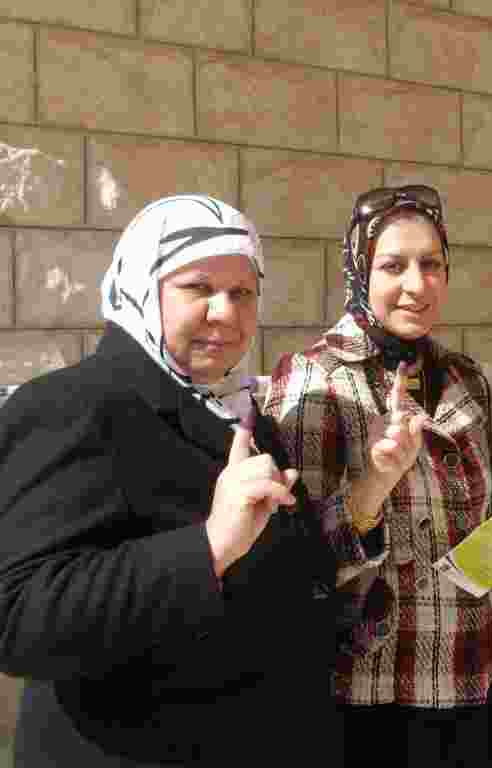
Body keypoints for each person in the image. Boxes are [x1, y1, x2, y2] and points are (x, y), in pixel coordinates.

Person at [0, 195, 336, 766]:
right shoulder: (73, 406)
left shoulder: (240, 413)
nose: (225, 312)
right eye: (198, 287)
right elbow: (19, 615)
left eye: (243, 292)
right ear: (140, 286)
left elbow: (289, 573)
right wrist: (207, 547)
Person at [265, 185, 492, 768]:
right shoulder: (315, 378)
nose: (416, 285)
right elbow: (297, 561)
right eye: (393, 265)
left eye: (432, 265)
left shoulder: (464, 378)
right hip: (372, 697)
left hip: (472, 675)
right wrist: (371, 485)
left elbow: (480, 525)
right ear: (359, 271)